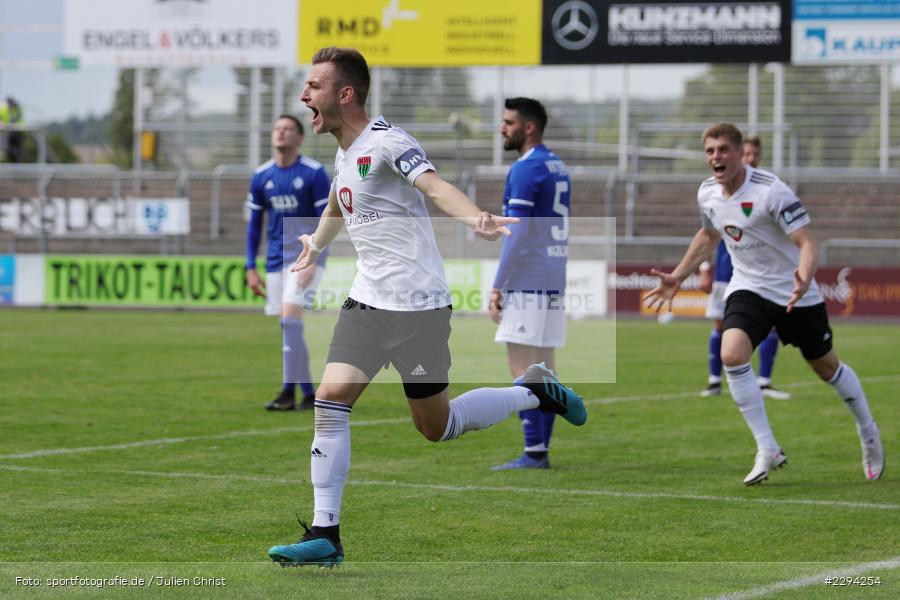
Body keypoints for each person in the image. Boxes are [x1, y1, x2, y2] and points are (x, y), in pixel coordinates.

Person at [266, 47, 587, 567]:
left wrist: (477, 218)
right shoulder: (345, 154)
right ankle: (326, 534)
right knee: (329, 400)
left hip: (417, 308)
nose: (304, 96)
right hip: (367, 302)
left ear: (344, 94)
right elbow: (335, 206)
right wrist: (315, 246)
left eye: (313, 87)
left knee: (436, 427)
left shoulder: (389, 142)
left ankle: (533, 391)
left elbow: (435, 188)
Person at [644, 122, 883, 486]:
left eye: (723, 149)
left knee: (827, 368)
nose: (716, 157)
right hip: (748, 289)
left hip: (794, 294)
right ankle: (767, 447)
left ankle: (868, 432)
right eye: (710, 151)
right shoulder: (707, 193)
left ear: (741, 153)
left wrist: (803, 277)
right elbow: (708, 236)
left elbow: (807, 243)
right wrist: (678, 276)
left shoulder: (772, 191)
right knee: (732, 353)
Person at [489, 97, 570, 471]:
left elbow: (517, 234)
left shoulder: (526, 168)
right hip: (553, 276)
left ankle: (534, 451)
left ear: (529, 127)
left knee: (521, 367)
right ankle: (541, 450)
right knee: (546, 368)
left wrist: (497, 285)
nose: (503, 128)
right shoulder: (557, 164)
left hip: (529, 278)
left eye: (508, 122)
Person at [245, 114, 331, 411]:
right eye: (277, 128)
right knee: (290, 327)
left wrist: (316, 261)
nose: (281, 132)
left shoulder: (314, 173)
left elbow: (327, 221)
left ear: (300, 138)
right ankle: (307, 394)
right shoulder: (261, 176)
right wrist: (250, 267)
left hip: (305, 259)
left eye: (288, 129)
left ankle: (287, 393)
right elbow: (254, 225)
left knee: (289, 321)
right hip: (273, 262)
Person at [698, 135, 789, 400]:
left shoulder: (768, 190)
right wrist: (705, 266)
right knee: (719, 326)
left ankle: (764, 382)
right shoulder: (718, 190)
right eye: (746, 154)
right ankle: (714, 381)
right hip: (727, 272)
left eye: (754, 155)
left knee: (771, 326)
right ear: (739, 156)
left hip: (762, 276)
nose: (751, 159)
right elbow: (708, 232)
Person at [0, 97, 24, 163]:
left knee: (17, 151)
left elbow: (20, 118)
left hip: (18, 133)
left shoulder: (18, 109)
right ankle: (12, 162)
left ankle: (17, 164)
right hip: (9, 133)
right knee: (9, 151)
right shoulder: (3, 109)